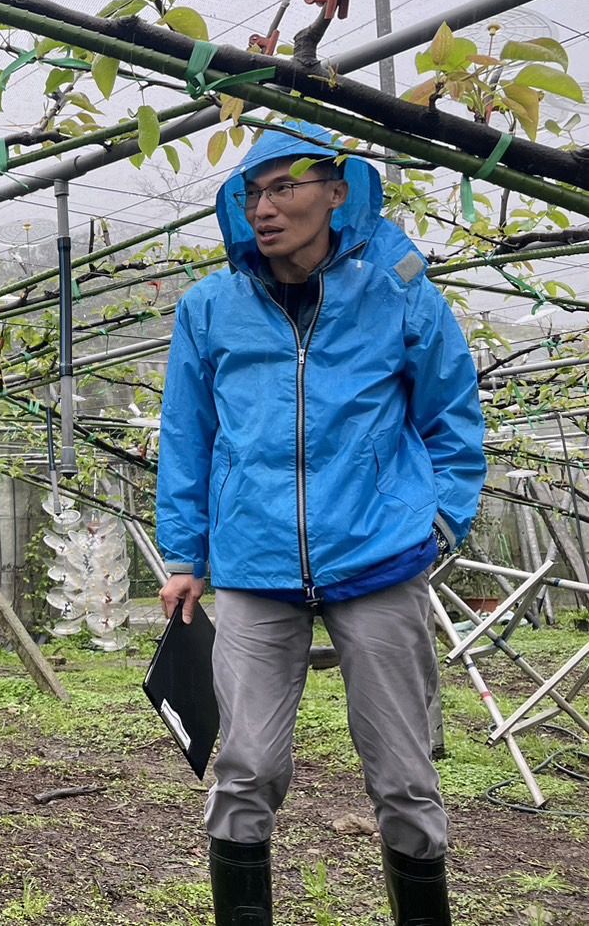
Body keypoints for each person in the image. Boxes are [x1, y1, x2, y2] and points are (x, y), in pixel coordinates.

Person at [156, 122, 485, 926]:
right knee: (244, 765)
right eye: (252, 193)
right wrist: (184, 554)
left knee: (403, 775)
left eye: (284, 188)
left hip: (375, 557)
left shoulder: (399, 290)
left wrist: (439, 521)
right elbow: (186, 434)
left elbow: (452, 413)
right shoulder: (208, 307)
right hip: (252, 564)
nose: (264, 208)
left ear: (337, 193)